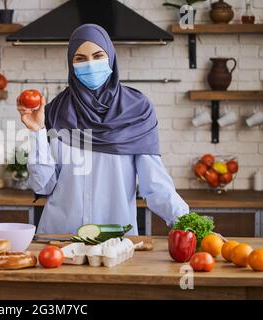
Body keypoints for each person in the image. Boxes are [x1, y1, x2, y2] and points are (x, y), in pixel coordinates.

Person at [16, 24, 189, 235]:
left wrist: (189, 224)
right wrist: (37, 131)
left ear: (111, 57)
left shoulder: (137, 110)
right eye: (80, 59)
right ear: (71, 64)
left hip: (115, 242)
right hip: (60, 238)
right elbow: (43, 186)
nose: (90, 64)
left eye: (98, 55)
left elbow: (155, 186)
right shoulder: (53, 112)